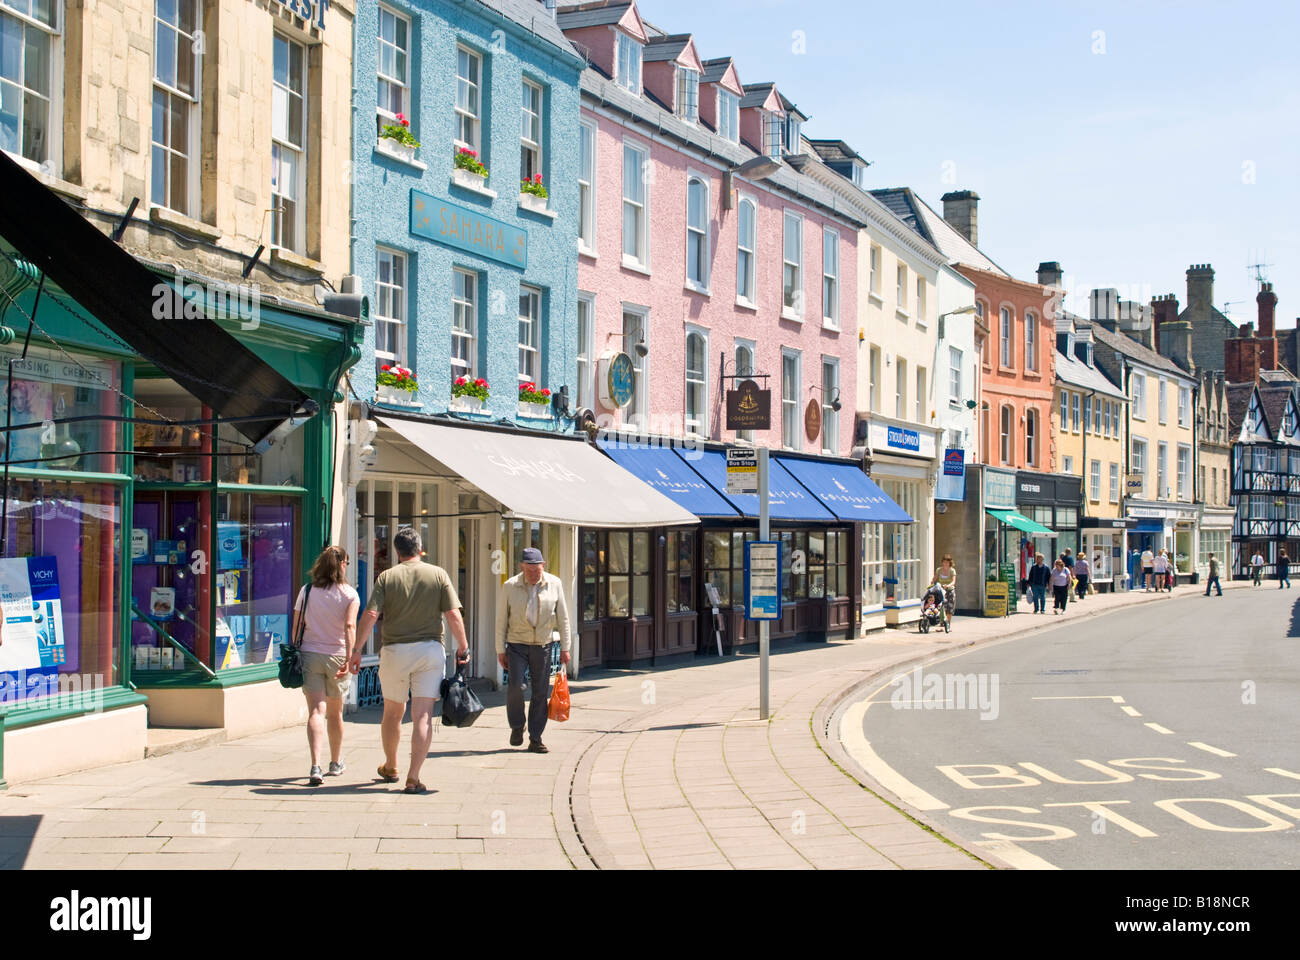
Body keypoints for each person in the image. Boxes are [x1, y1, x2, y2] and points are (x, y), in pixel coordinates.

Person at [351, 527, 469, 794]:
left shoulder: (387, 577)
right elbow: (452, 614)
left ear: (396, 551)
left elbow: (370, 615)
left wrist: (357, 649)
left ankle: (391, 765)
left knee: (393, 712)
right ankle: (414, 776)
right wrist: (463, 646)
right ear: (420, 548)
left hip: (394, 651)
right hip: (429, 650)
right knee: (423, 715)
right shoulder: (438, 574)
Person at [292, 545, 359, 786]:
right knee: (335, 712)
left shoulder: (307, 590)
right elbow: (350, 627)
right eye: (347, 563)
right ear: (342, 565)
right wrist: (350, 657)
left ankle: (315, 765)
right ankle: (335, 762)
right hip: (338, 656)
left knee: (315, 712)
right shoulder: (350, 594)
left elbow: (297, 623)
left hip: (310, 654)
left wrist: (295, 647)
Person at [496, 547, 572, 753]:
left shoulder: (554, 584)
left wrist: (566, 647)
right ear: (521, 567)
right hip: (517, 644)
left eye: (536, 571)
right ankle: (517, 725)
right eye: (529, 571)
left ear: (543, 566)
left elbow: (563, 618)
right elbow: (501, 620)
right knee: (516, 687)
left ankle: (536, 737)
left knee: (540, 692)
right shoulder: (510, 586)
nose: (533, 574)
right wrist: (499, 649)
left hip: (543, 645)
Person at [931, 554, 957, 627]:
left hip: (950, 590)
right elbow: (934, 578)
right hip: (941, 590)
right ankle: (941, 624)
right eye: (944, 562)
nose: (945, 564)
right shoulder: (939, 570)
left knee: (950, 608)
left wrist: (948, 585)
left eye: (947, 562)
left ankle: (948, 624)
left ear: (950, 563)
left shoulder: (952, 570)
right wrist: (932, 582)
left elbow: (953, 581)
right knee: (942, 607)